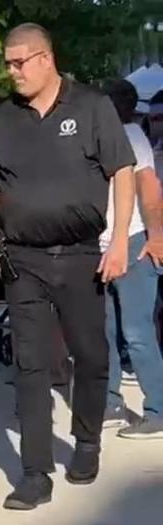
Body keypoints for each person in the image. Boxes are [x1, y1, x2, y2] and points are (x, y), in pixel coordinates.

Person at [0, 24, 136, 510]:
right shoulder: (0, 121)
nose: (12, 71)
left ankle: (86, 441)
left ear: (46, 58)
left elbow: (121, 172)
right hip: (23, 262)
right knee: (32, 365)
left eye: (20, 61)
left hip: (83, 256)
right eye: (7, 63)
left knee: (91, 355)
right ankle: (35, 473)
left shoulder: (91, 107)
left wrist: (119, 239)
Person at [100, 79, 163, 439]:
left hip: (133, 242)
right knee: (105, 331)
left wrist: (156, 238)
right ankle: (111, 405)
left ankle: (158, 410)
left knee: (136, 331)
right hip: (103, 246)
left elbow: (150, 190)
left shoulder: (132, 138)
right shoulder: (98, 136)